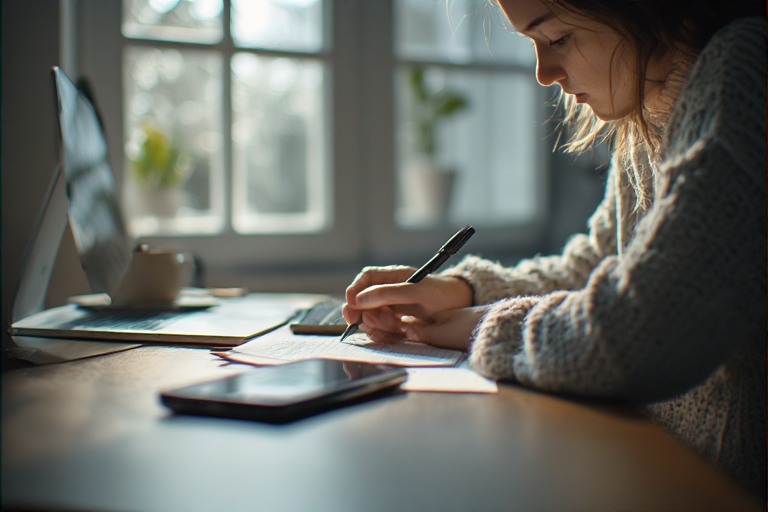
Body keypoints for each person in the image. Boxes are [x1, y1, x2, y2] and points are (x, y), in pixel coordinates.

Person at [342, 0, 766, 499]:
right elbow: (596, 266)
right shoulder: (650, 113)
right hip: (648, 469)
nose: (544, 73)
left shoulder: (741, 70)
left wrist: (484, 325)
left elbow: (644, 333)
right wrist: (458, 290)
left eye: (559, 37)